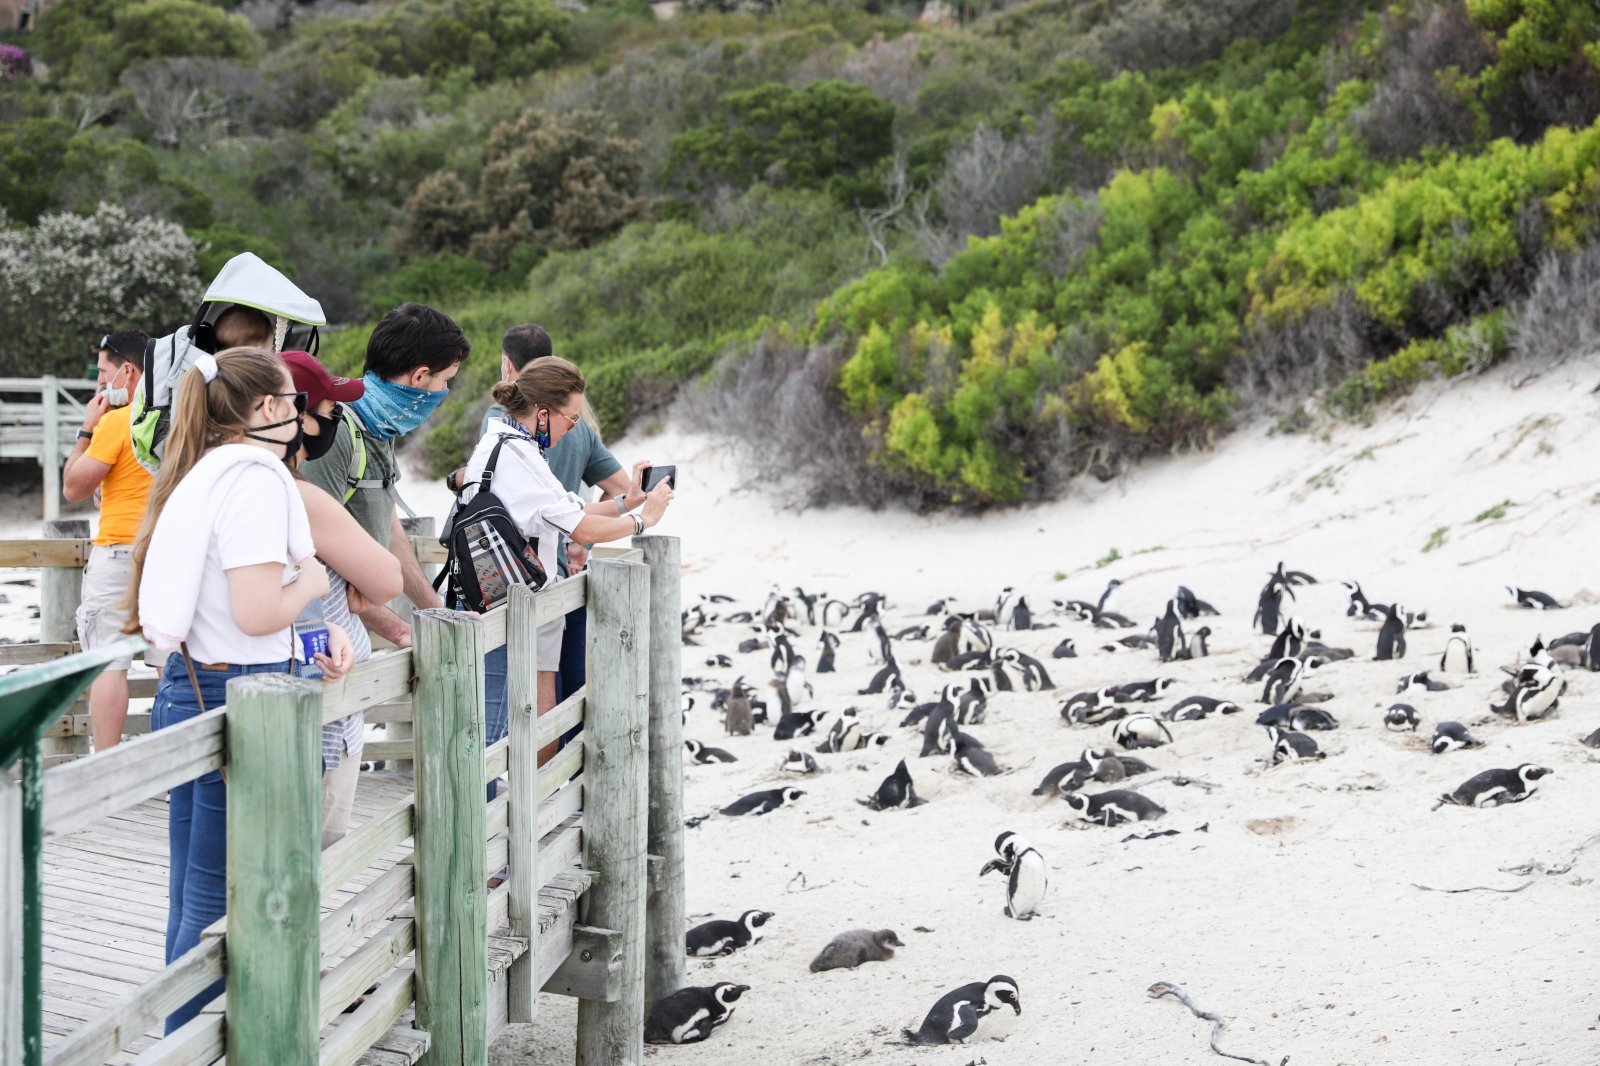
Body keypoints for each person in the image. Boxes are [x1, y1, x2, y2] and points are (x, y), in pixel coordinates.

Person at [128, 346, 353, 1033]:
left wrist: (315, 637)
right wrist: (315, 583)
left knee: (193, 901)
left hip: (192, 686)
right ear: (264, 411)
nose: (303, 415)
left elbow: (227, 614)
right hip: (244, 703)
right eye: (292, 402)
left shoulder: (201, 470)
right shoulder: (255, 480)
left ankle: (181, 1042)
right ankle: (200, 1045)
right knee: (231, 904)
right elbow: (256, 612)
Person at [460, 356, 673, 759]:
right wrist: (644, 521)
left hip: (494, 596)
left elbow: (570, 510)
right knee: (498, 727)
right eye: (572, 419)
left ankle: (528, 808)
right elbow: (582, 530)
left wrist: (629, 500)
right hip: (514, 601)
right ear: (543, 413)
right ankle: (537, 808)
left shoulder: (504, 442)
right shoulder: (518, 456)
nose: (574, 428)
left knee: (495, 723)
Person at [281, 350, 403, 847]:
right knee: (314, 856)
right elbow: (386, 580)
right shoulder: (301, 494)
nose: (334, 426)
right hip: (322, 707)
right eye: (330, 414)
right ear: (299, 417)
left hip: (257, 699)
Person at [300, 303, 470, 648]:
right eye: (445, 381)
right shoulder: (338, 433)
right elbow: (312, 552)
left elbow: (391, 533)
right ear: (420, 377)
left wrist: (439, 612)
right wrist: (397, 629)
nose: (442, 392)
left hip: (353, 638)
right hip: (321, 643)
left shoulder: (377, 426)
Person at [61, 330, 151, 751]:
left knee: (109, 665)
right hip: (165, 554)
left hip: (118, 553)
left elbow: (74, 487)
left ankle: (109, 769)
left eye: (104, 372)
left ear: (128, 371)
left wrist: (86, 429)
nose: (100, 382)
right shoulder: (174, 419)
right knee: (174, 666)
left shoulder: (119, 421)